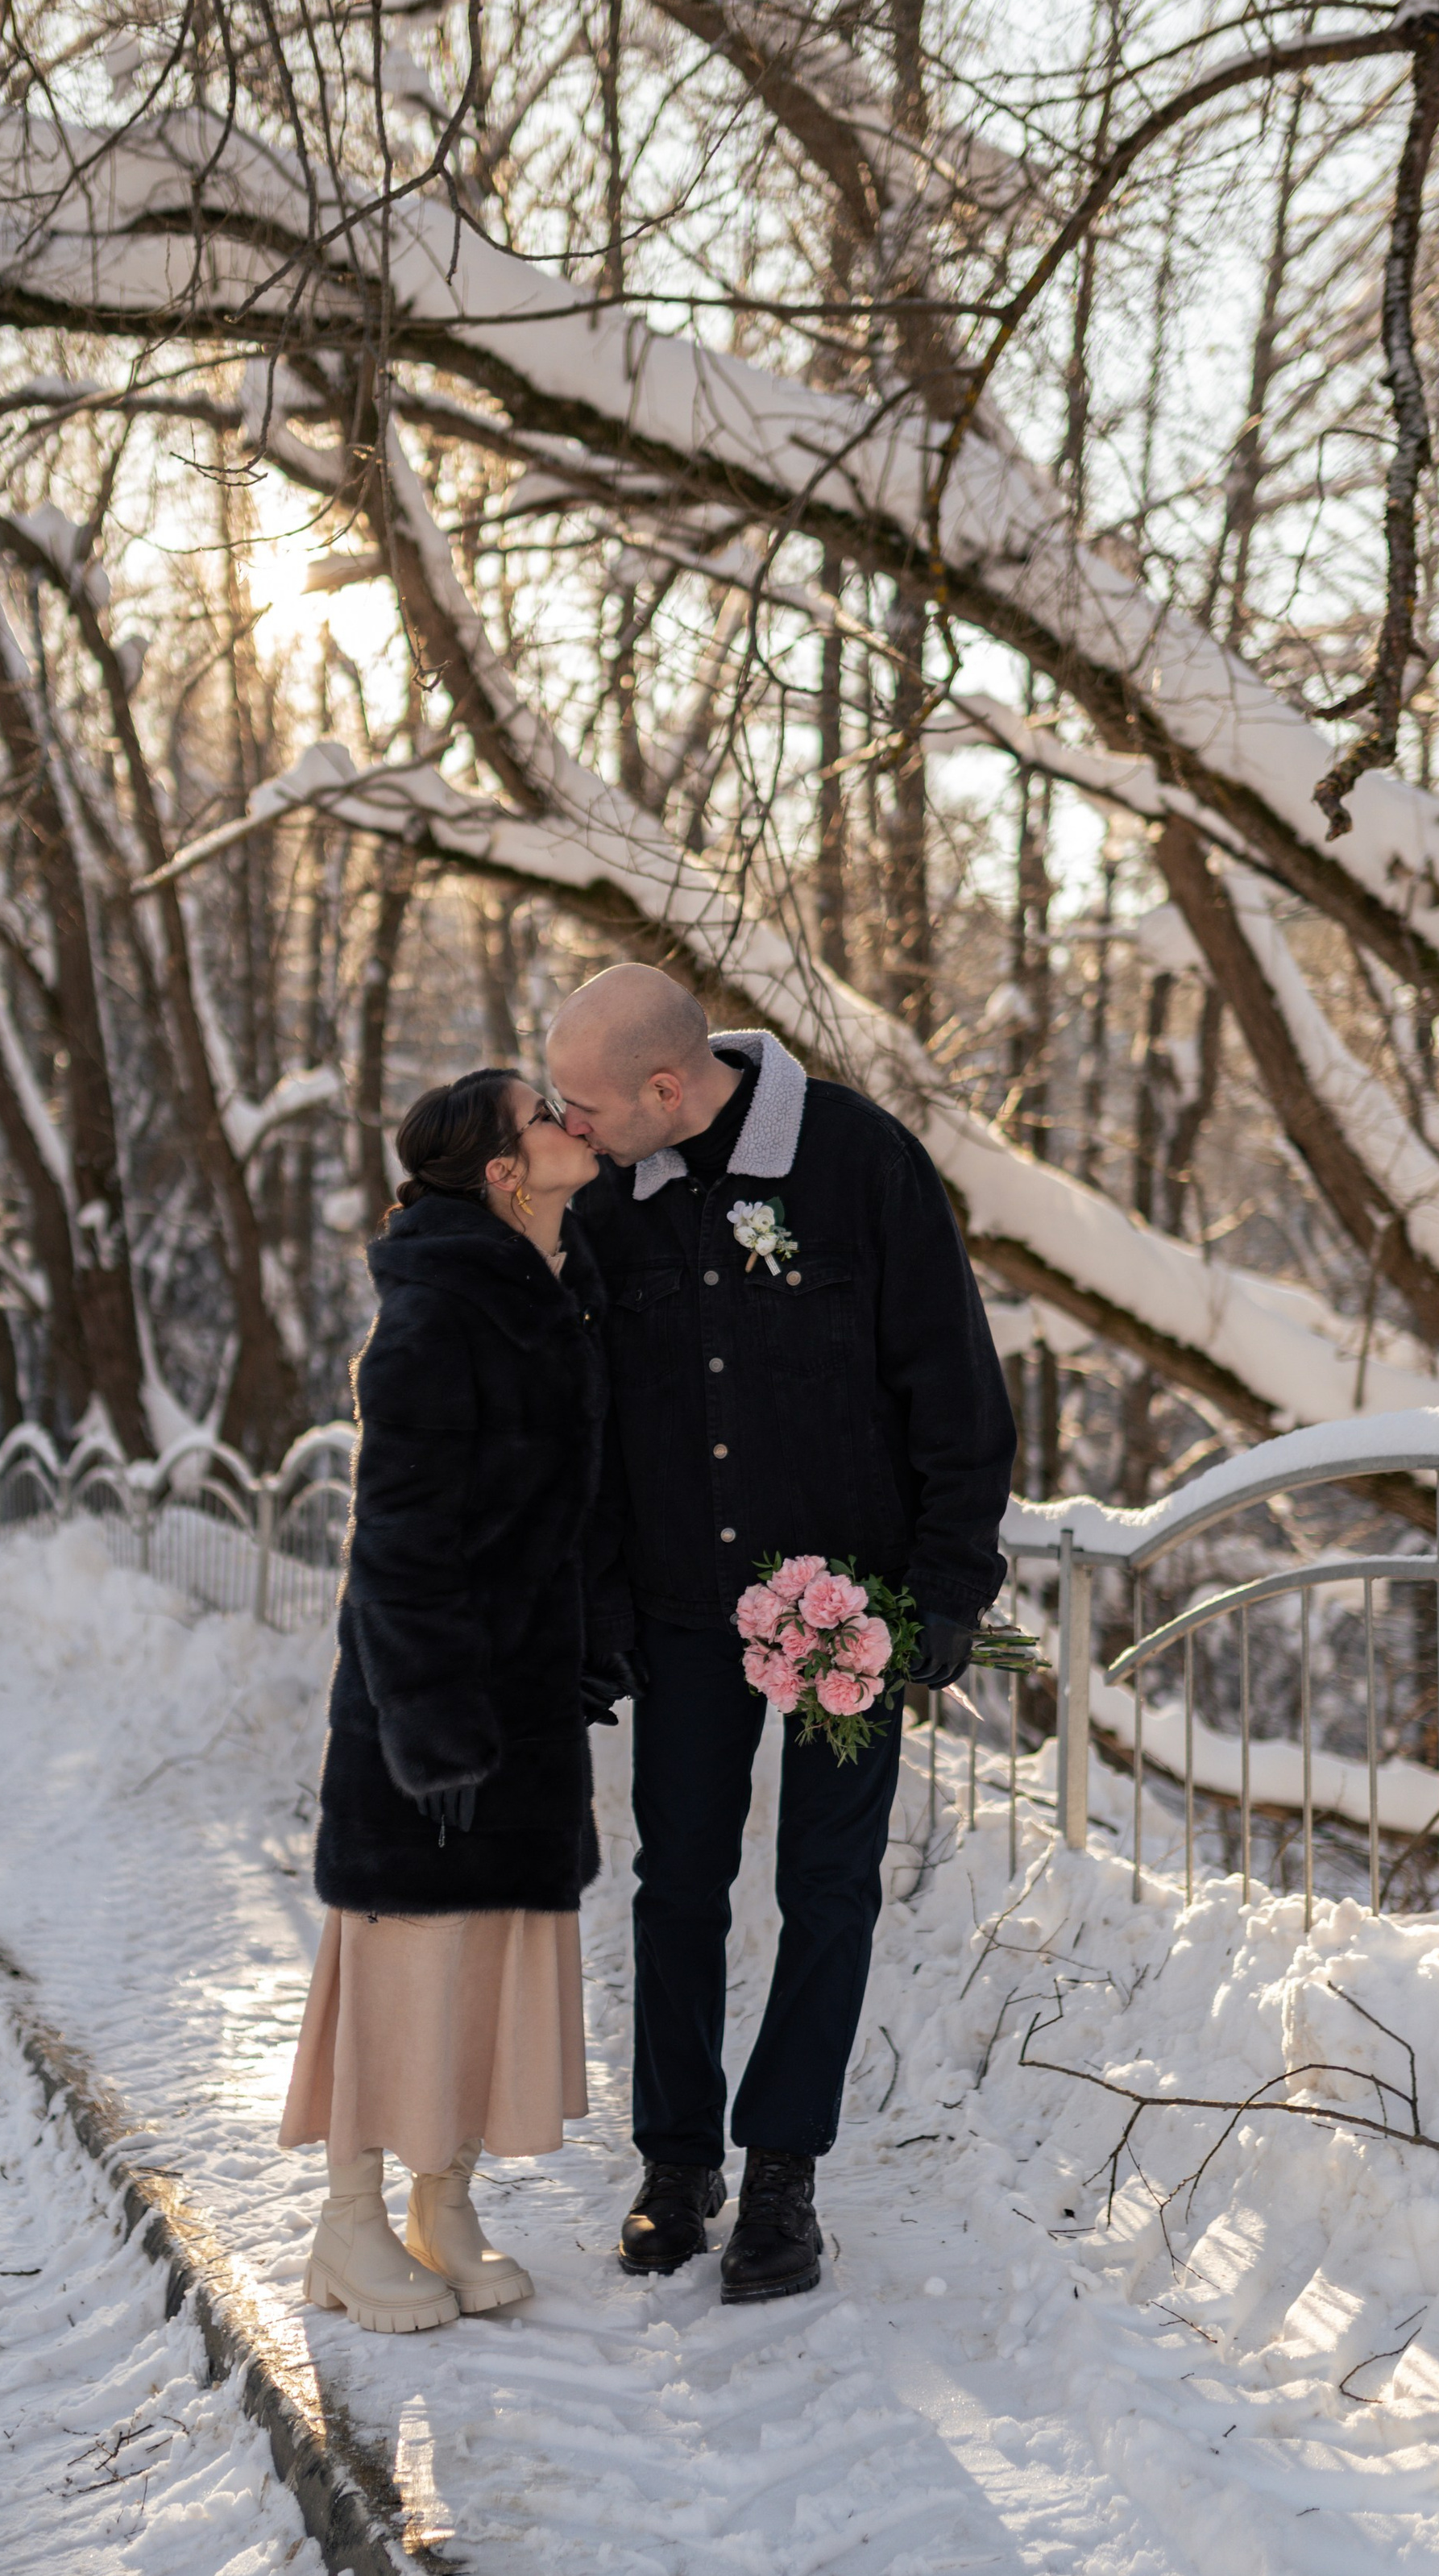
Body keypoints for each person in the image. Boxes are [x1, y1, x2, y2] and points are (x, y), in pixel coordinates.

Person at [546, 965, 1014, 2305]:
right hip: (685, 1614)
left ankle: (783, 2180)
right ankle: (677, 2165)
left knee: (827, 1889)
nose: (570, 1127)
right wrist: (607, 1602)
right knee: (677, 1884)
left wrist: (942, 1596)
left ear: (666, 1088)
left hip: (845, 1615)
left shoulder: (860, 1163)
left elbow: (956, 1393)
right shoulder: (609, 1203)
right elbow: (588, 1416)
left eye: (586, 1104)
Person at [280, 1067, 632, 2331]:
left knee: (485, 1965)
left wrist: (593, 1649)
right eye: (544, 1117)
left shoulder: (556, 1294)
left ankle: (445, 2201)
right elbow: (397, 1546)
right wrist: (432, 1725)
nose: (569, 1124)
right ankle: (350, 2225)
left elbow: (574, 1513)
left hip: (525, 1696)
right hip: (426, 1710)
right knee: (406, 1964)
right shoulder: (436, 1318)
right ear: (498, 1169)